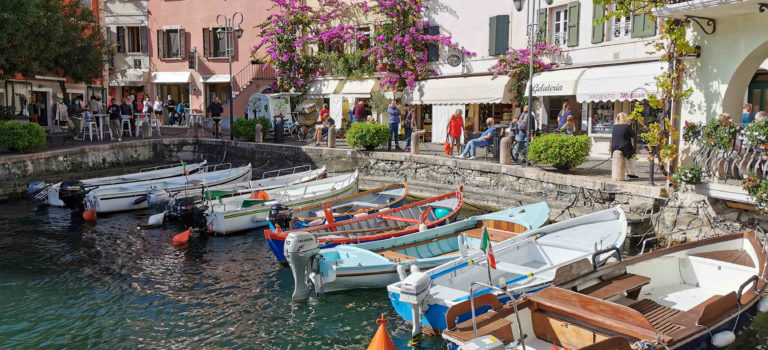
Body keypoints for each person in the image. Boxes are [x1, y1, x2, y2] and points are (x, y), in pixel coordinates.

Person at [610, 112, 638, 179]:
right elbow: (633, 135)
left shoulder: (614, 127)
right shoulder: (627, 127)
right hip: (624, 146)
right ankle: (632, 174)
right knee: (632, 157)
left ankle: (625, 173)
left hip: (614, 147)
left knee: (627, 156)